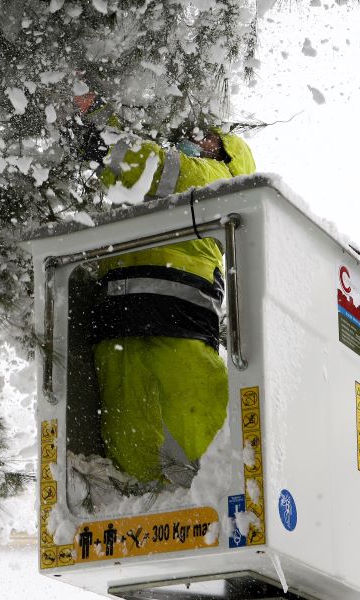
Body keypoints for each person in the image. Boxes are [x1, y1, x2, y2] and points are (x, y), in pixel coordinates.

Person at [73, 93, 256, 485]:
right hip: (136, 321)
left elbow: (143, 166)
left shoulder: (211, 178)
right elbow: (128, 172)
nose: (197, 139)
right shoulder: (186, 188)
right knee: (143, 439)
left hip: (169, 319)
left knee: (180, 435)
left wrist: (98, 118)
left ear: (228, 160)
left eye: (211, 141)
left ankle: (190, 499)